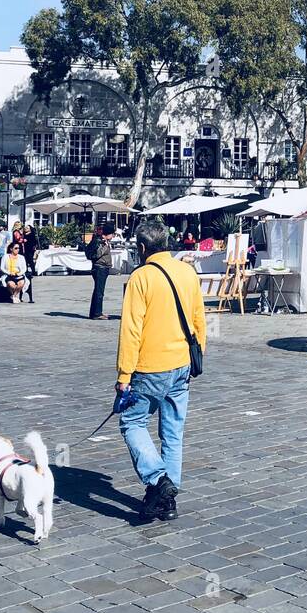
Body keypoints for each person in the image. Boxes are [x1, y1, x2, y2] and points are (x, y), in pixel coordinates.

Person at [116, 221, 206, 522]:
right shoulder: (187, 272)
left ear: (142, 248)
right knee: (172, 432)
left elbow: (131, 330)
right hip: (182, 364)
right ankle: (168, 499)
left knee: (132, 421)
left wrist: (124, 375)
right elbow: (198, 320)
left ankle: (158, 479)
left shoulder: (141, 277)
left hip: (149, 366)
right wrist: (198, 357)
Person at [88, 223, 114, 320]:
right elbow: (98, 254)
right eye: (112, 234)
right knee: (99, 292)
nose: (113, 236)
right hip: (100, 268)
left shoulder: (103, 241)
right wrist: (105, 246)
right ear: (108, 233)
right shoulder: (100, 241)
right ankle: (97, 313)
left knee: (97, 291)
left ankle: (94, 312)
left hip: (102, 268)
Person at [22, 225, 39, 302]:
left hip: (30, 249)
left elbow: (34, 242)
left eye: (27, 228)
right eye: (25, 228)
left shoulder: (32, 234)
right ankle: (25, 270)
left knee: (30, 261)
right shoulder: (24, 235)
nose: (26, 229)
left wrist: (32, 246)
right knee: (25, 261)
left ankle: (33, 271)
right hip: (25, 249)